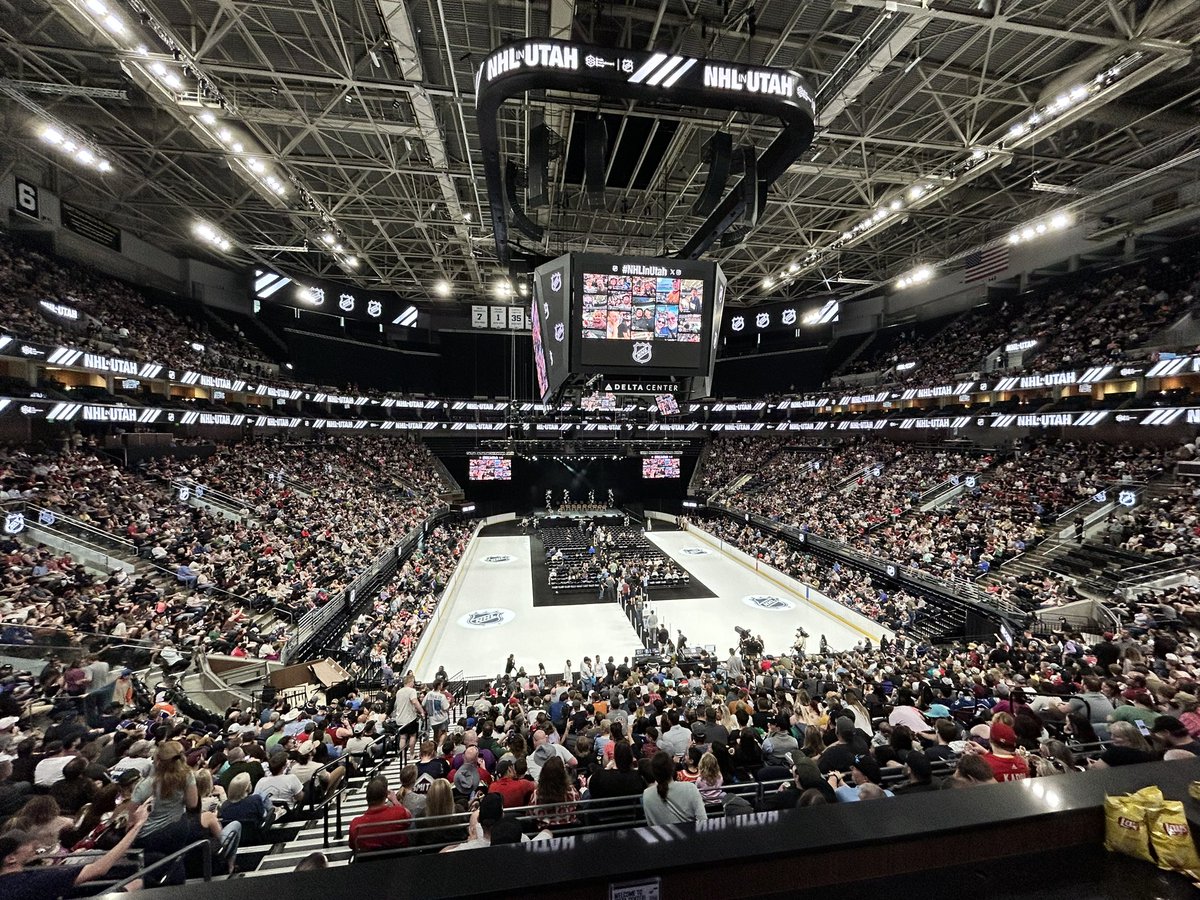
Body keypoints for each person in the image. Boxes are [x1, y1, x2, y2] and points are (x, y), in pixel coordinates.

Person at [0, 801, 151, 900]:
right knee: (138, 882)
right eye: (27, 844)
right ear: (11, 858)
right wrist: (138, 825)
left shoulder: (18, 879)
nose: (34, 845)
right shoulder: (33, 882)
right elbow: (99, 869)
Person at [642, 751, 707, 825]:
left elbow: (651, 825)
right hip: (690, 835)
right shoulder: (690, 788)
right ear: (673, 768)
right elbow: (703, 821)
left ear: (653, 773)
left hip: (662, 836)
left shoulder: (647, 794)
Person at [349, 776, 411, 852]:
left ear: (367, 798)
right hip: (400, 860)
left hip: (368, 862)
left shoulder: (356, 824)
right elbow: (409, 817)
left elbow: (352, 846)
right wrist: (395, 800)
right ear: (385, 796)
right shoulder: (398, 813)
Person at [393, 674, 423, 759]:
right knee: (412, 735)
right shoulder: (411, 691)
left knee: (403, 737)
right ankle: (411, 754)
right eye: (413, 682)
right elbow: (414, 701)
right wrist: (422, 711)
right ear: (410, 682)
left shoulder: (399, 692)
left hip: (400, 718)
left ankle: (402, 756)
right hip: (409, 718)